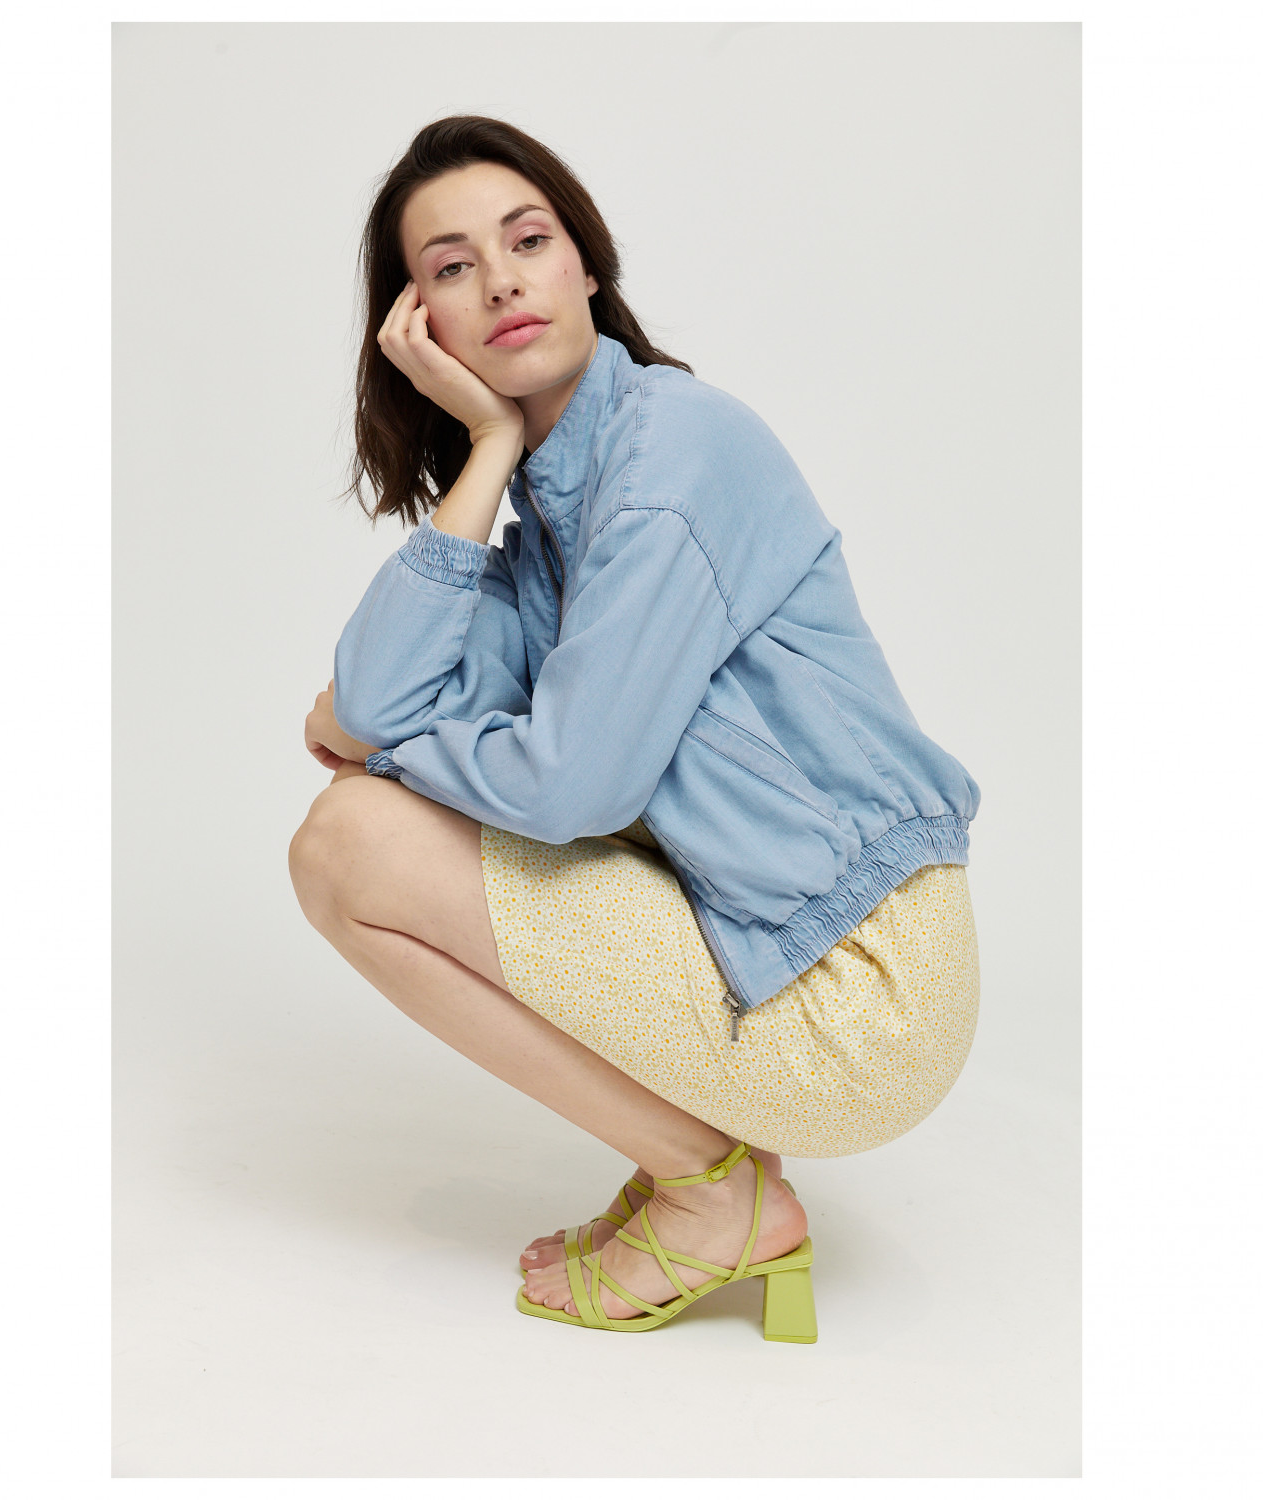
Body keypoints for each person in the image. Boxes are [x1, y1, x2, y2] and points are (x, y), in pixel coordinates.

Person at [289, 115, 982, 1341]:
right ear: (418, 328)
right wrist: (488, 448)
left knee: (350, 844)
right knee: (352, 830)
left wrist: (387, 752)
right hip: (774, 943)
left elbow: (563, 786)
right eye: (452, 267)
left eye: (528, 240)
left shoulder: (674, 451)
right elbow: (377, 695)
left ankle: (715, 1197)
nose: (501, 281)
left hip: (864, 991)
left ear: (586, 264)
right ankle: (708, 1182)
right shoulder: (549, 521)